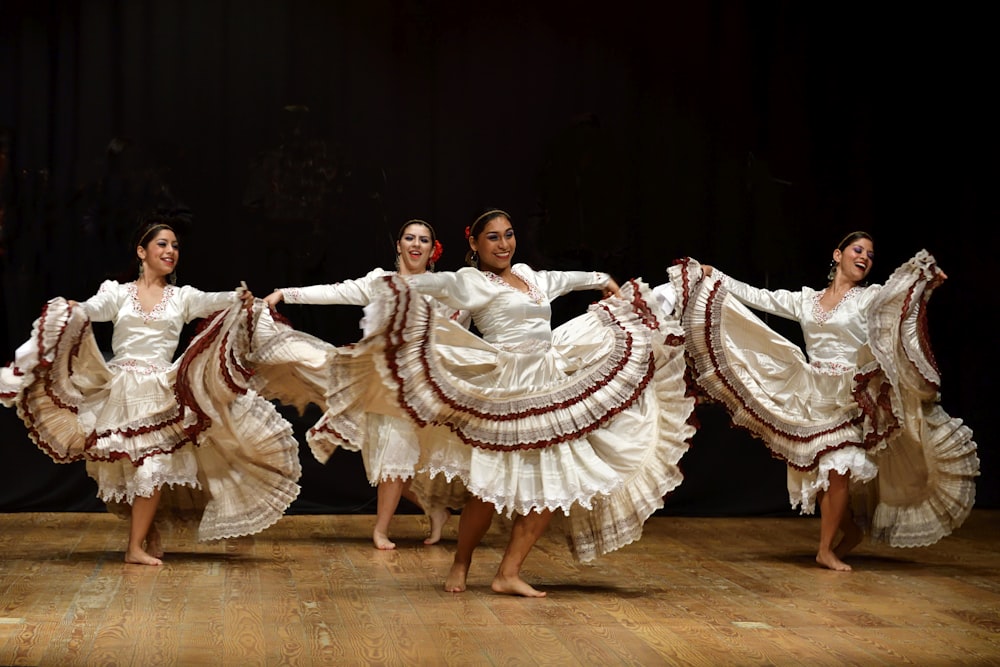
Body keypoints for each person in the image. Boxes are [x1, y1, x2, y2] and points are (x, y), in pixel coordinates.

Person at [327, 208, 697, 596]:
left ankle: (508, 573)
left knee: (552, 488)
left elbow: (565, 280)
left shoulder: (528, 274)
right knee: (488, 491)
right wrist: (391, 288)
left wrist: (601, 279)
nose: (503, 244)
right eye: (493, 237)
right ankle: (461, 563)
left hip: (550, 386)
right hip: (508, 389)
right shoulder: (471, 282)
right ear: (474, 243)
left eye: (508, 235)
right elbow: (430, 284)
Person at [0, 218, 302, 565]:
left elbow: (213, 302)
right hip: (123, 390)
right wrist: (75, 309)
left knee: (153, 467)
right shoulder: (117, 293)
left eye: (174, 245)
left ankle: (134, 548)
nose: (170, 251)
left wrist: (239, 298)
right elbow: (93, 308)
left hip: (162, 389)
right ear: (142, 251)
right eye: (162, 244)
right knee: (128, 469)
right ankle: (143, 533)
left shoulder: (181, 297)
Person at [675, 231, 978, 571]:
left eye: (870, 254)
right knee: (822, 471)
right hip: (812, 393)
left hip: (850, 394)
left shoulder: (869, 297)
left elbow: (898, 302)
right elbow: (760, 296)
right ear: (838, 255)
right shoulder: (806, 301)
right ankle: (846, 530)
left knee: (840, 464)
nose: (864, 257)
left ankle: (825, 550)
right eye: (857, 250)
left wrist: (922, 281)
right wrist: (714, 275)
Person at [261, 220, 464, 550]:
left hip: (412, 386)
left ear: (432, 249)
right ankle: (434, 508)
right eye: (409, 238)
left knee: (393, 456)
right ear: (398, 245)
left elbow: (456, 332)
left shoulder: (443, 288)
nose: (416, 244)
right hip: (375, 379)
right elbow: (336, 291)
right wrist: (286, 294)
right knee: (383, 458)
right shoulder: (379, 282)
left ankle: (381, 529)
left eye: (423, 240)